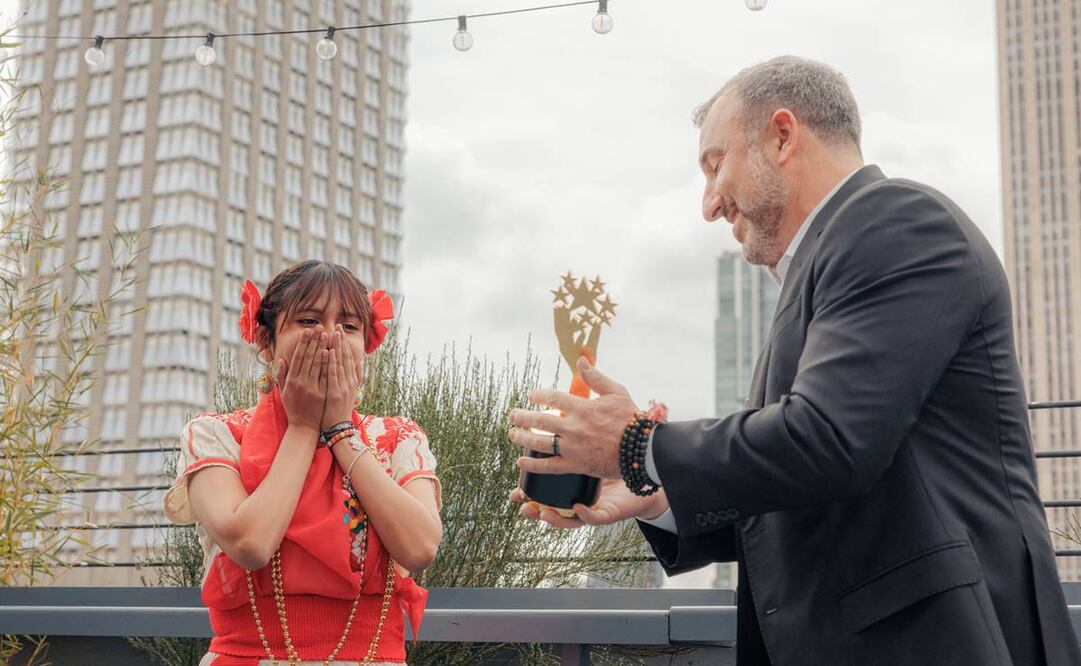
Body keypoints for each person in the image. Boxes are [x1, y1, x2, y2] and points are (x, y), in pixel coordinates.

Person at [508, 56, 1081, 665]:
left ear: (783, 136)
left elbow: (828, 442)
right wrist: (654, 492)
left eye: (714, 164)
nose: (708, 204)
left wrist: (638, 445)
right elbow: (804, 488)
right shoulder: (832, 264)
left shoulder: (897, 224)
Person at [163, 260, 442, 666]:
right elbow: (250, 542)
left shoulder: (397, 437)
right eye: (309, 320)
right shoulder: (216, 435)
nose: (329, 336)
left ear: (365, 347)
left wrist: (342, 432)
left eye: (348, 326)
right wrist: (303, 426)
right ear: (268, 342)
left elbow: (420, 546)